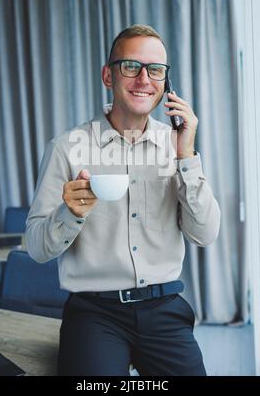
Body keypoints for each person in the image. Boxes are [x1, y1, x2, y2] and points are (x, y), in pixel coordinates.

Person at [26, 24, 221, 376]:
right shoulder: (66, 148)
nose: (144, 78)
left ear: (166, 83)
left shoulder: (177, 146)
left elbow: (205, 234)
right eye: (131, 66)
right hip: (94, 314)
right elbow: (37, 249)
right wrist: (69, 213)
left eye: (156, 70)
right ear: (108, 75)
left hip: (164, 308)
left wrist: (187, 156)